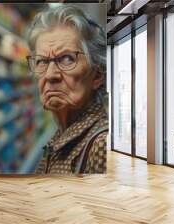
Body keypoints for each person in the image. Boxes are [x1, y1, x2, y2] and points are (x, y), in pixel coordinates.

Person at [26, 4, 108, 174]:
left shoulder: (102, 145)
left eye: (67, 59)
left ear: (98, 75)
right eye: (41, 61)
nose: (50, 75)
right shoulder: (62, 136)